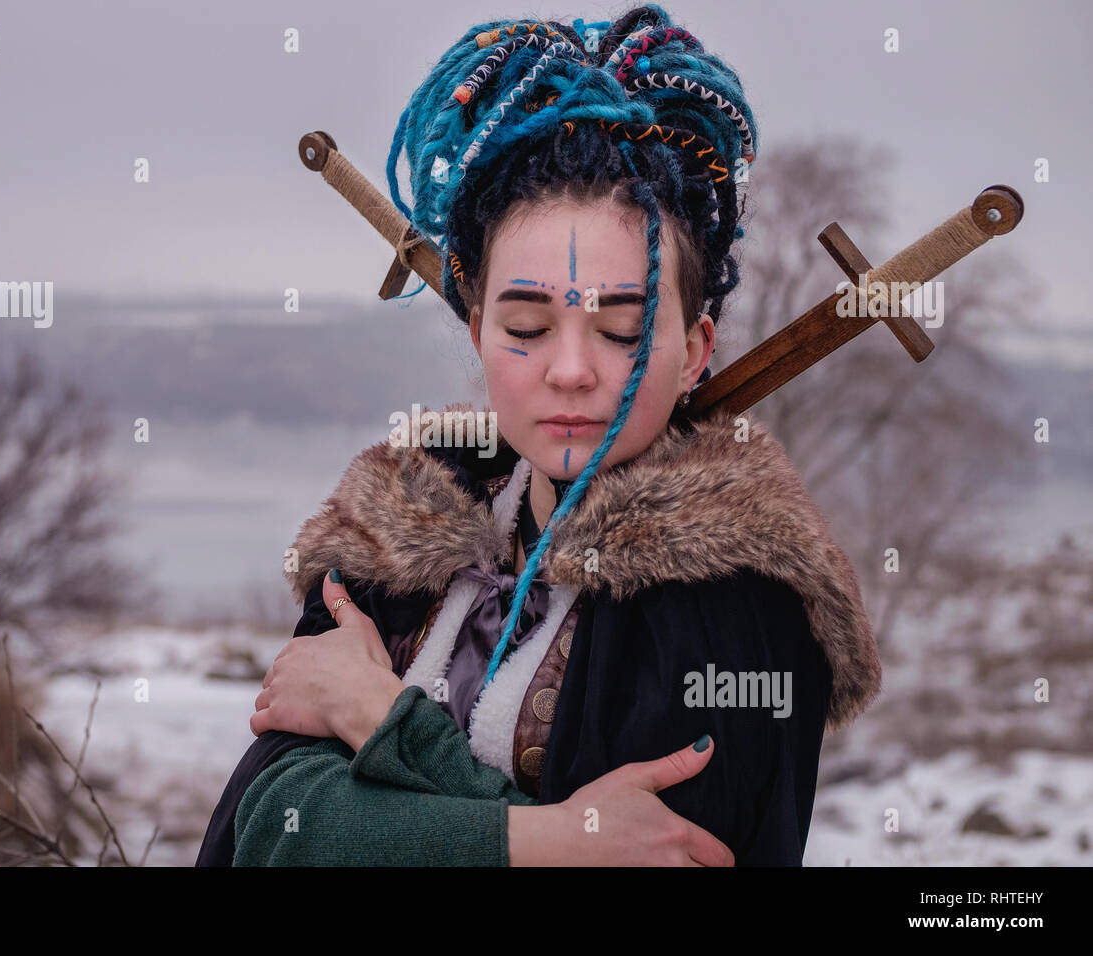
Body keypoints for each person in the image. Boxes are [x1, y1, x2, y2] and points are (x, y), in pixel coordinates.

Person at [196, 4, 881, 866]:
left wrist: (380, 720)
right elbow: (274, 829)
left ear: (697, 350)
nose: (569, 371)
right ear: (476, 327)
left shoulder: (740, 610)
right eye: (524, 326)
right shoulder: (396, 539)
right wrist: (554, 836)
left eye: (623, 332)